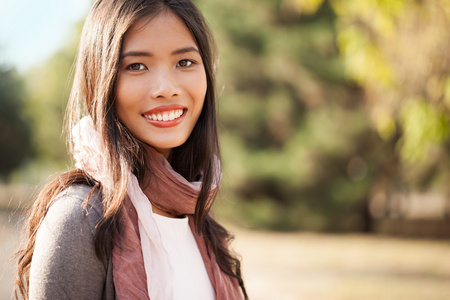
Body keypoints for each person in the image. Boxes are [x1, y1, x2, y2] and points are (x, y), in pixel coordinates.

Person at [14, 0, 247, 299]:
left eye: (185, 62)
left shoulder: (196, 214)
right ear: (101, 80)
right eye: (136, 66)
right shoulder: (79, 220)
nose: (166, 87)